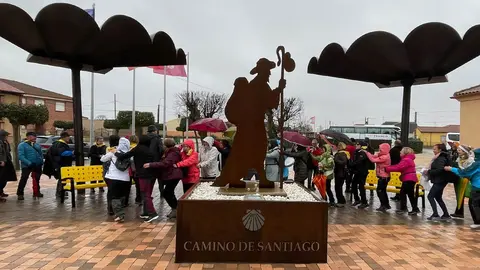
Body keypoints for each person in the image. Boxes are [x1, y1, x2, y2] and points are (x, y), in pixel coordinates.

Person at [212, 58, 285, 189]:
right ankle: (240, 178)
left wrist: (278, 89)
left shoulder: (259, 84)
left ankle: (245, 178)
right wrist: (279, 89)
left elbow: (268, 102)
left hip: (252, 125)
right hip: (252, 125)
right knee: (255, 149)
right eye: (268, 70)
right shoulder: (259, 84)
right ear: (263, 71)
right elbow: (270, 102)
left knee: (254, 149)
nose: (269, 73)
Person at [116, 135, 158, 222]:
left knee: (145, 194)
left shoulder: (138, 148)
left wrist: (115, 152)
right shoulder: (150, 149)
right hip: (151, 174)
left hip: (143, 175)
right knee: (147, 194)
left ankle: (152, 213)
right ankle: (146, 213)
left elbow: (124, 156)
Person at [144, 138, 182, 219]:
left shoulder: (173, 153)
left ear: (166, 145)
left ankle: (176, 209)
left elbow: (166, 163)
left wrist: (151, 164)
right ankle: (175, 209)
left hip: (173, 175)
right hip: (172, 175)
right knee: (168, 192)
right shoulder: (171, 152)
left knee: (167, 192)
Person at [445, 148, 480, 229]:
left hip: (477, 187)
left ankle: (478, 222)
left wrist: (451, 169)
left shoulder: (477, 164)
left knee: (474, 204)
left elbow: (465, 173)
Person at [100, 137, 131, 222]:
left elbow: (102, 159)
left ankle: (119, 215)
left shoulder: (113, 152)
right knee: (122, 196)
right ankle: (121, 212)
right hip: (125, 179)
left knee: (114, 197)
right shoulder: (129, 153)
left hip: (113, 177)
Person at [426, 144, 457, 220]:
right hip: (441, 180)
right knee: (438, 197)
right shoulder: (440, 157)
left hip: (440, 180)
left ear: (440, 150)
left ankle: (435, 214)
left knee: (430, 196)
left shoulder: (441, 158)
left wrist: (429, 171)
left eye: (435, 149)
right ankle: (446, 214)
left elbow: (440, 169)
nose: (433, 151)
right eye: (433, 149)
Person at [385, 147, 420, 215]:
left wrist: (387, 168)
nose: (400, 152)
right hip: (410, 179)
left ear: (405, 152)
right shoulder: (408, 159)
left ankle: (405, 208)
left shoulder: (406, 160)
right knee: (410, 194)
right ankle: (414, 209)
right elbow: (400, 167)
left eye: (401, 151)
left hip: (408, 179)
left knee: (403, 193)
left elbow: (398, 167)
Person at [17, 132, 44, 200]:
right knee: (24, 178)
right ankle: (20, 193)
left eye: (35, 136)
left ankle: (37, 192)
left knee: (37, 179)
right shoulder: (22, 145)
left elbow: (40, 154)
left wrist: (41, 161)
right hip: (27, 165)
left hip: (37, 165)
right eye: (33, 136)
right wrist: (29, 163)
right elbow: (21, 156)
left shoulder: (37, 144)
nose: (35, 137)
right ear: (28, 137)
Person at [365, 143, 391, 212]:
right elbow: (374, 156)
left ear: (384, 150)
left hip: (383, 177)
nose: (379, 151)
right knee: (383, 191)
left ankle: (383, 205)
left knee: (380, 191)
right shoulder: (383, 155)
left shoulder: (385, 157)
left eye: (381, 149)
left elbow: (373, 160)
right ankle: (386, 205)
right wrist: (369, 153)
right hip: (383, 176)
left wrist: (367, 153)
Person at [451, 144, 474, 218]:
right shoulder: (459, 158)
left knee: (466, 195)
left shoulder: (470, 159)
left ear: (464, 151)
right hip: (459, 178)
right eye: (458, 150)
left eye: (460, 150)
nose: (458, 151)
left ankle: (461, 212)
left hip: (466, 179)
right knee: (459, 195)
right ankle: (459, 212)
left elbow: (468, 170)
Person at [49, 132, 74, 197]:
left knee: (63, 178)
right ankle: (60, 192)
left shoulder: (60, 144)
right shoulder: (60, 144)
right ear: (64, 137)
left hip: (62, 164)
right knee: (62, 178)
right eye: (68, 137)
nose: (69, 138)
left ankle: (62, 191)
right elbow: (62, 153)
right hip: (61, 164)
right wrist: (72, 153)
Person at [146, 125, 165, 196]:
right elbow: (161, 149)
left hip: (147, 162)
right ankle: (162, 193)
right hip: (156, 161)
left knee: (149, 180)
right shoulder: (157, 138)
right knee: (160, 179)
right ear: (154, 131)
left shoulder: (144, 138)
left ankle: (148, 195)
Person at [350, 142, 369, 209]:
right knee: (353, 186)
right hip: (357, 172)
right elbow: (354, 160)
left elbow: (359, 161)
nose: (356, 145)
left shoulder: (363, 153)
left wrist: (352, 164)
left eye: (358, 145)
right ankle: (357, 200)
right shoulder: (356, 152)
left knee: (361, 187)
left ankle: (364, 202)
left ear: (361, 146)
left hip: (362, 172)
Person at [104, 135, 120, 215]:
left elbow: (103, 159)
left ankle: (110, 208)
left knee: (110, 191)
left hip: (108, 173)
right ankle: (116, 208)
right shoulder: (119, 149)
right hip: (118, 173)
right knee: (116, 191)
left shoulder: (108, 149)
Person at [0, 130, 16, 201]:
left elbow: (8, 151)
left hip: (7, 162)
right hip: (2, 163)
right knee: (1, 179)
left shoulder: (5, 142)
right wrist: (1, 160)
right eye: (6, 135)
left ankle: (1, 192)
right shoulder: (0, 142)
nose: (7, 137)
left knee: (5, 178)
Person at [333, 142, 350, 207]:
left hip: (341, 173)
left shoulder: (343, 153)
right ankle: (341, 200)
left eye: (340, 145)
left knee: (338, 187)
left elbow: (343, 162)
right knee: (338, 187)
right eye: (338, 145)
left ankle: (341, 201)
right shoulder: (340, 153)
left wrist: (335, 159)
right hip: (339, 172)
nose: (338, 146)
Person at [127, 135, 141, 205]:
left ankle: (126, 200)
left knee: (127, 185)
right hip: (136, 168)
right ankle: (138, 199)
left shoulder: (128, 147)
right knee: (138, 185)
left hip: (128, 169)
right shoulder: (138, 147)